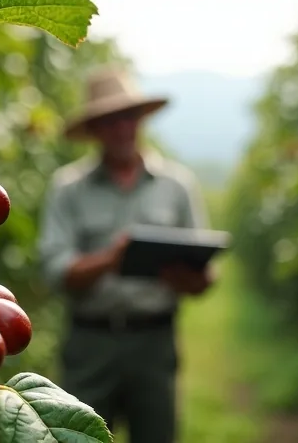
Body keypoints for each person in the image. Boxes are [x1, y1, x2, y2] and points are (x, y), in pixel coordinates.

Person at [37, 66, 216, 443]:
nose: (122, 128)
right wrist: (112, 259)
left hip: (154, 342)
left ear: (140, 121)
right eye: (110, 121)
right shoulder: (68, 190)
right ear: (95, 130)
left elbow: (203, 279)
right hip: (90, 343)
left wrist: (188, 277)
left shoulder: (176, 186)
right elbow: (56, 271)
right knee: (77, 437)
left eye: (128, 117)